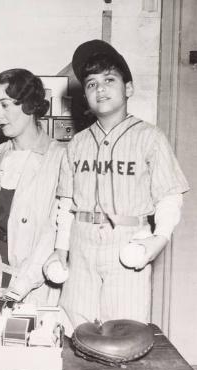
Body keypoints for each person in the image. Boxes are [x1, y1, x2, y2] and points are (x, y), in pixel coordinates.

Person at [44, 40, 189, 327]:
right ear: (85, 95)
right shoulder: (77, 144)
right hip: (82, 243)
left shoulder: (150, 137)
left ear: (129, 89)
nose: (100, 88)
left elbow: (170, 198)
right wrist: (61, 251)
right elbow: (66, 205)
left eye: (109, 79)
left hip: (128, 239)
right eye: (91, 84)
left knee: (125, 327)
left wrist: (157, 240)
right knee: (74, 324)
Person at [0, 69, 65, 306]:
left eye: (5, 105)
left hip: (37, 286)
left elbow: (54, 231)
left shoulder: (59, 158)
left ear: (29, 105)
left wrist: (20, 286)